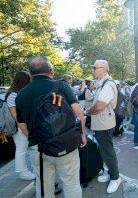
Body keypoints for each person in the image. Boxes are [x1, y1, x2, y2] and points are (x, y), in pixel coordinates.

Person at [15, 55, 86, 198]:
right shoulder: (61, 86)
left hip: (38, 146)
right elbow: (79, 113)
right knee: (71, 183)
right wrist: (82, 134)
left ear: (30, 74)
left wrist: (36, 139)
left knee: (43, 184)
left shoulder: (21, 95)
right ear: (51, 71)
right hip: (66, 143)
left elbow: (22, 126)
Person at [86, 60, 122, 194]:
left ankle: (115, 177)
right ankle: (110, 171)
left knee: (107, 151)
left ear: (104, 69)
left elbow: (100, 106)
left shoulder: (108, 84)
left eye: (95, 67)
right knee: (104, 150)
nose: (93, 69)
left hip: (104, 123)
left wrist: (87, 111)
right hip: (101, 122)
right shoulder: (102, 83)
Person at [5, 71, 35, 180]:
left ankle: (24, 171)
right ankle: (23, 172)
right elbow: (15, 115)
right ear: (23, 81)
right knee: (21, 148)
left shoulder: (16, 93)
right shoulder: (13, 95)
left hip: (22, 125)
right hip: (19, 126)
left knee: (22, 147)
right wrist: (23, 128)